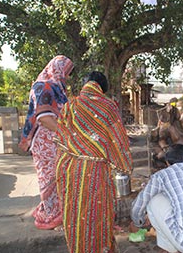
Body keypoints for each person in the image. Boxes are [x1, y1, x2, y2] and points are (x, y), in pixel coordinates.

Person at [55, 71, 133, 253]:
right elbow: (118, 140)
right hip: (94, 172)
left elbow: (61, 141)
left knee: (74, 215)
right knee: (96, 215)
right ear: (102, 88)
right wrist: (125, 165)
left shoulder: (69, 106)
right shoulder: (107, 106)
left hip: (69, 171)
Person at [19, 55, 74, 230]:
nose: (67, 77)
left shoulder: (57, 89)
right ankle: (51, 215)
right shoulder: (43, 86)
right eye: (66, 72)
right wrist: (70, 134)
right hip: (45, 142)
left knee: (62, 177)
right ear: (57, 69)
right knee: (49, 178)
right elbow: (44, 119)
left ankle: (61, 213)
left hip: (57, 142)